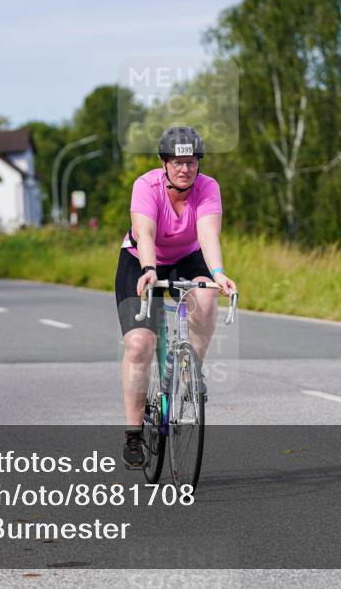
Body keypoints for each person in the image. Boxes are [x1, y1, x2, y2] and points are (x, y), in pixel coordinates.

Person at [115, 126, 237, 468]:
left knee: (207, 297)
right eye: (178, 162)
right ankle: (134, 435)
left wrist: (218, 274)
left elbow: (209, 235)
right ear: (164, 163)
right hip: (142, 259)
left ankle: (191, 370)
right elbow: (146, 234)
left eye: (192, 162)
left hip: (187, 258)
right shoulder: (146, 186)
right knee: (140, 344)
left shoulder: (208, 187)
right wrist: (149, 269)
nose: (186, 169)